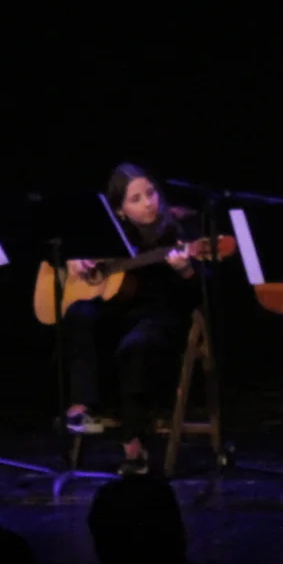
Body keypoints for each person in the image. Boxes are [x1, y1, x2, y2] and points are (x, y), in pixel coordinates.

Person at [62, 165, 207, 475]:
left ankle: (133, 445)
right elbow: (62, 246)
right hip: (118, 313)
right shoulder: (109, 232)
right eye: (136, 199)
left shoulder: (181, 228)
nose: (148, 203)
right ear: (120, 210)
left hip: (161, 316)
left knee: (136, 346)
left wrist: (185, 270)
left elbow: (201, 291)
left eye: (151, 193)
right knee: (79, 313)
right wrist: (74, 259)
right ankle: (84, 405)